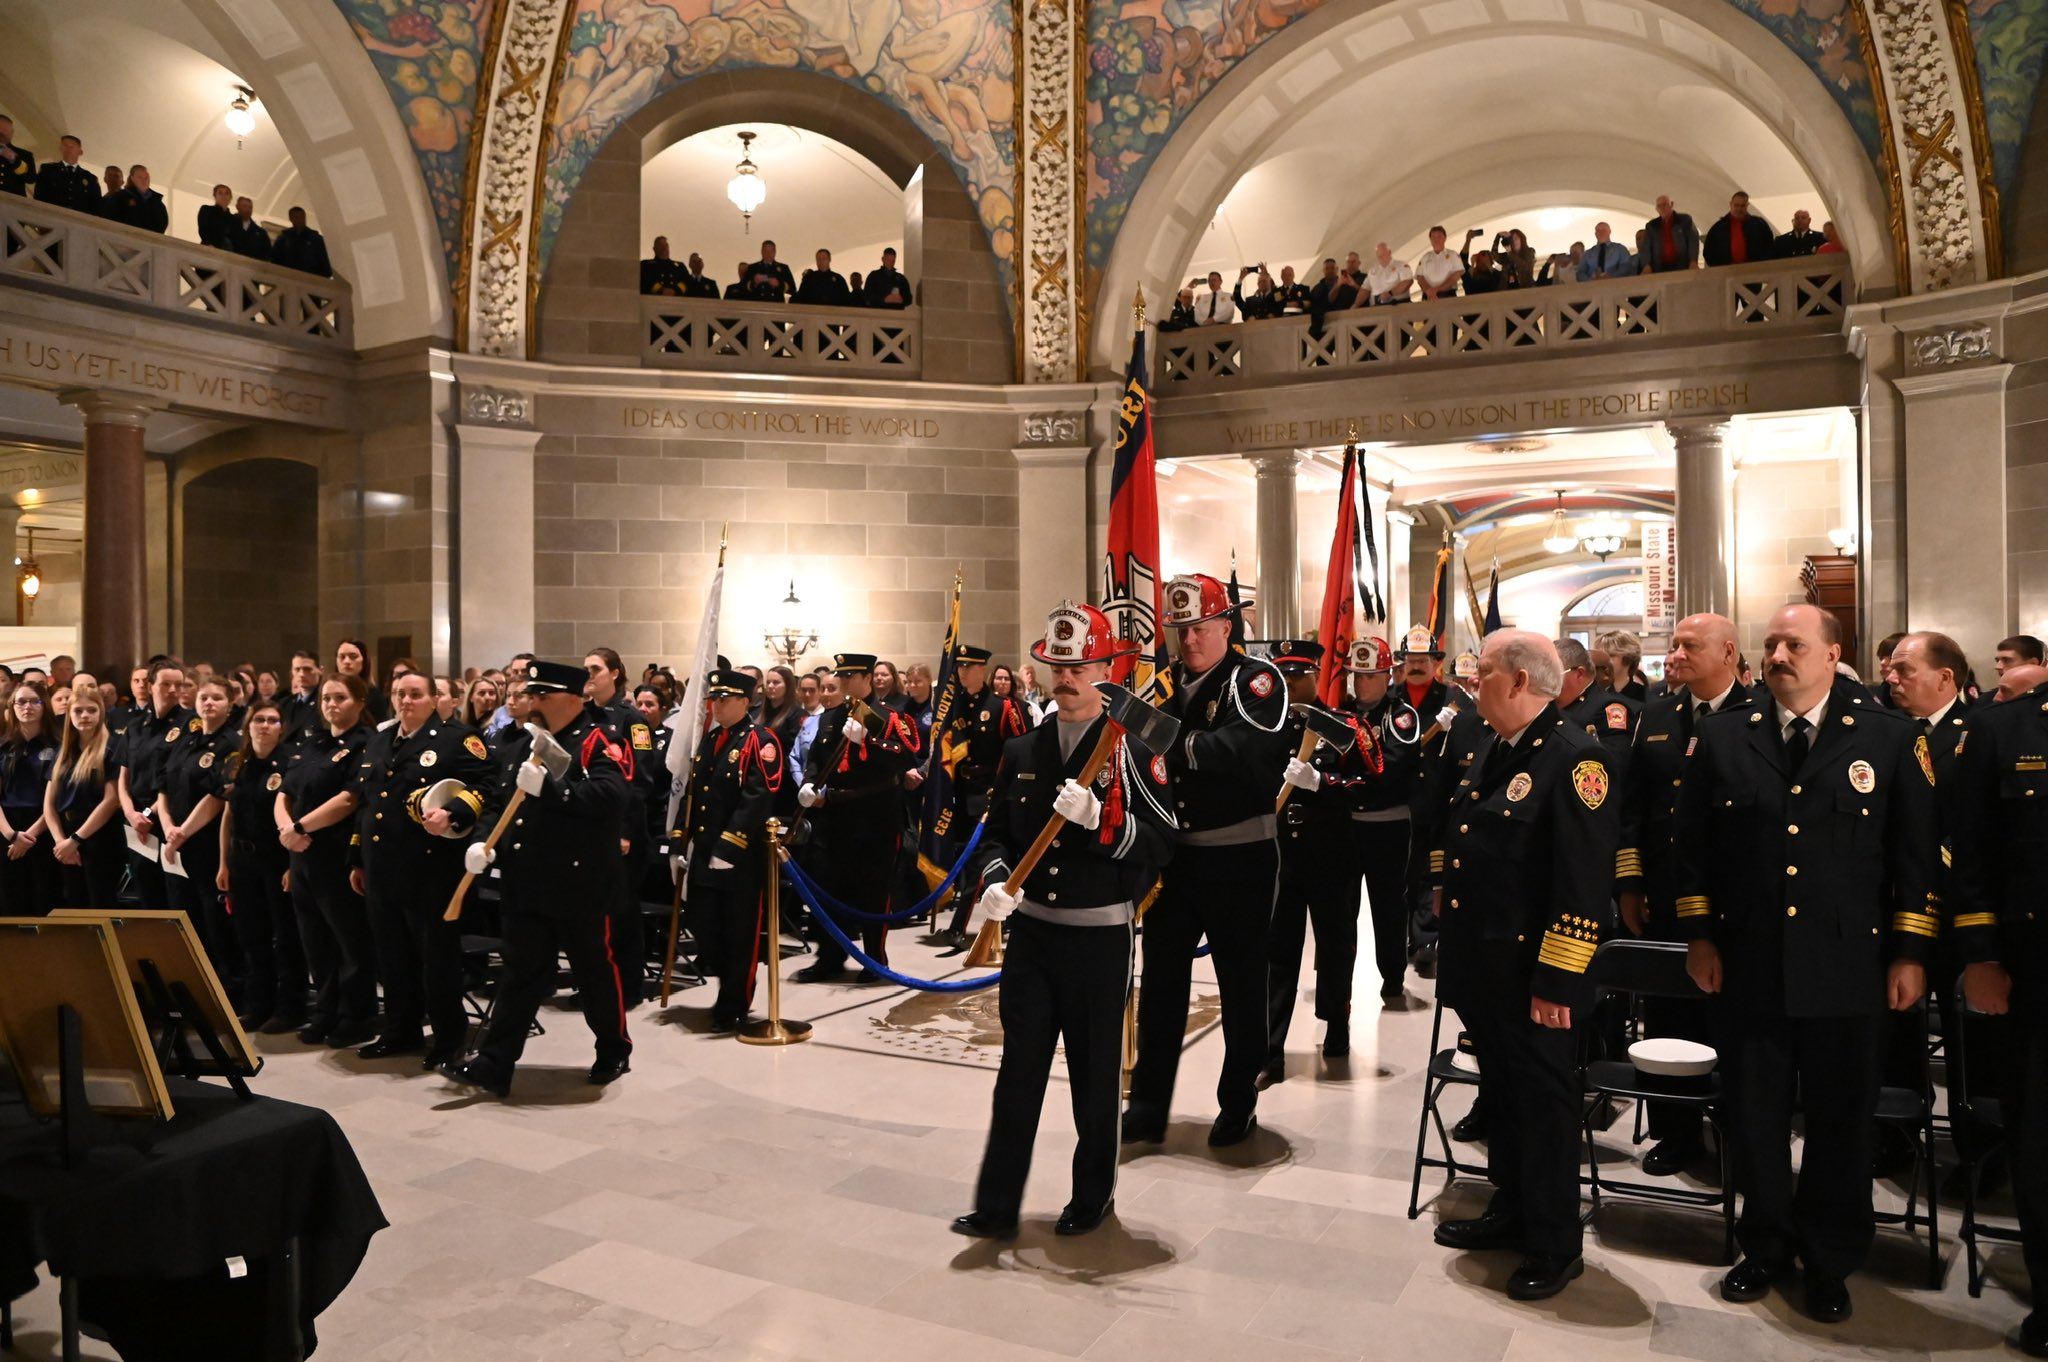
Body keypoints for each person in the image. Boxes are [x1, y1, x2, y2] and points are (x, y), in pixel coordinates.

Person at [1673, 603, 1935, 1323]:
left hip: (1850, 966)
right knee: (1754, 1118)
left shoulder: (1888, 736)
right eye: (1772, 644)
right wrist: (1699, 937)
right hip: (1750, 965)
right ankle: (1764, 1244)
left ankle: (1828, 1259)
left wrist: (1910, 952)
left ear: (1831, 653)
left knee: (1839, 1124)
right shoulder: (1724, 735)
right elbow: (1691, 849)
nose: (1780, 654)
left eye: (1795, 643)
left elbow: (1915, 859)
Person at [952, 602, 1174, 1240]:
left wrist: (1101, 822)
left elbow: (1160, 844)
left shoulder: (1134, 748)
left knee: (1094, 1076)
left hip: (1098, 937)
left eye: (1080, 666)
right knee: (1017, 1073)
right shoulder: (1023, 747)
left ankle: (1092, 1195)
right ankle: (997, 1204)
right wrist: (994, 882)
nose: (1066, 678)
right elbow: (994, 834)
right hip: (1033, 936)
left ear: (1107, 669)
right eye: (1057, 665)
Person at [1430, 631, 1617, 1301]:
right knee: (1505, 1101)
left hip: (1536, 979)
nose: (1472, 684)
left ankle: (1553, 1243)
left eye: (1481, 674)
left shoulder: (1575, 759)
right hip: (1487, 968)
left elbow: (1582, 886)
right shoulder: (1496, 747)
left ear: (1516, 682)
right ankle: (1510, 1211)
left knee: (1543, 1109)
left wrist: (1558, 982)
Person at [1126, 573, 1287, 1148]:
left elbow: (1243, 750)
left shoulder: (1257, 680)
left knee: (1241, 984)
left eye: (1199, 628)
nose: (1188, 640)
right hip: (1176, 859)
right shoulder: (1163, 685)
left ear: (1226, 626)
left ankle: (1238, 1100)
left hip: (1239, 854)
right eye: (1178, 629)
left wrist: (1170, 743)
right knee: (1163, 985)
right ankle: (1147, 1108)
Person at [449, 661, 634, 1095]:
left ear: (574, 697)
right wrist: (480, 842)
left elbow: (613, 796)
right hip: (525, 880)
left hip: (579, 883)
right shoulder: (520, 744)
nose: (532, 702)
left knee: (593, 973)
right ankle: (495, 1063)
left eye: (542, 695)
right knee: (520, 973)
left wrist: (555, 788)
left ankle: (613, 1048)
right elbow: (497, 800)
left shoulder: (598, 740)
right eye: (531, 695)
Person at [1614, 612, 1751, 1173]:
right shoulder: (1658, 715)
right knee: (1667, 1017)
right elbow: (1634, 806)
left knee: (1731, 1022)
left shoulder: (1757, 715)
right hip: (1666, 893)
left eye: (1691, 645)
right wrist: (1629, 880)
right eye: (1675, 645)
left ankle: (1737, 1131)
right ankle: (1676, 1131)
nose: (1678, 653)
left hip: (1733, 896)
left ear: (1728, 652)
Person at [1946, 664, 2048, 1356]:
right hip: (2033, 972)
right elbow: (1968, 850)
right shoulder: (2004, 726)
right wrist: (1978, 956)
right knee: (2039, 1143)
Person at [349, 671, 493, 1068]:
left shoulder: (458, 740)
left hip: (430, 869)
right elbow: (368, 803)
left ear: (434, 700)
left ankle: (449, 1040)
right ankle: (401, 1030)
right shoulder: (379, 740)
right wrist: (357, 859)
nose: (405, 701)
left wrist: (454, 813)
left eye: (415, 694)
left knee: (436, 959)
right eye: (399, 694)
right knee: (392, 957)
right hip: (382, 869)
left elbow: (488, 785)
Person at [1262, 640, 1382, 1082]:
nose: (1291, 684)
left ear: (1316, 675)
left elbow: (1372, 783)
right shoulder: (1262, 726)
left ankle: (1336, 1024)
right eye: (1284, 675)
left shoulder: (1344, 724)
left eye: (1299, 675)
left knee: (1335, 946)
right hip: (1279, 856)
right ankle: (1270, 1047)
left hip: (1332, 854)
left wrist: (1323, 781)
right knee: (1277, 952)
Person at [793, 653, 921, 981]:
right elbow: (816, 758)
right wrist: (809, 783)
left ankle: (875, 959)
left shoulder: (889, 716)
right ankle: (830, 957)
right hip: (834, 815)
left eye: (851, 676)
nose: (845, 682)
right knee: (828, 887)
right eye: (842, 676)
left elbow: (905, 756)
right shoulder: (830, 718)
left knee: (872, 891)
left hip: (874, 815)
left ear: (866, 677)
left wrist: (871, 740)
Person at [675, 670, 784, 1029]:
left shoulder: (760, 741)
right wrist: (680, 839)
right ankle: (725, 987)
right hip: (706, 852)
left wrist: (730, 844)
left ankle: (735, 1000)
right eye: (714, 699)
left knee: (740, 933)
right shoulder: (711, 741)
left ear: (744, 701)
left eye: (723, 699)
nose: (716, 706)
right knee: (705, 926)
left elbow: (758, 797)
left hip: (739, 857)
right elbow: (695, 794)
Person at [1336, 637, 1423, 1004]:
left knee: (1388, 905)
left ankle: (1392, 975)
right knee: (1342, 908)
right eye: (1357, 674)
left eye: (1370, 675)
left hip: (1387, 825)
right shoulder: (1341, 714)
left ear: (1388, 676)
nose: (1361, 682)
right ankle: (1339, 979)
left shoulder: (1401, 717)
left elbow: (1390, 771)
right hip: (1346, 825)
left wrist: (1341, 784)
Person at [215, 698, 305, 1033]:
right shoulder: (238, 763)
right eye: (259, 720)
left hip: (276, 860)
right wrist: (223, 863)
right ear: (248, 725)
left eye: (272, 720)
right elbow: (228, 815)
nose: (264, 725)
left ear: (281, 728)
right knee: (251, 937)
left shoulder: (288, 765)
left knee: (284, 937)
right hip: (242, 860)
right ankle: (258, 1004)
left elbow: (294, 818)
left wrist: (292, 866)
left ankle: (290, 1007)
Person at [937, 645, 1030, 943]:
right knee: (965, 857)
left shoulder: (1002, 706)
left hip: (993, 791)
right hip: (962, 791)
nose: (963, 672)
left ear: (982, 670)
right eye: (960, 667)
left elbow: (1021, 750)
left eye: (969, 667)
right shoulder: (954, 705)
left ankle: (959, 926)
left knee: (980, 859)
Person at [157, 678, 241, 988]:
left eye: (216, 698)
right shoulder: (186, 740)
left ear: (229, 706)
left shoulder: (232, 744)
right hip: (175, 843)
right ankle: (194, 987)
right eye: (203, 697)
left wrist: (182, 833)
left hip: (206, 843)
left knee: (215, 922)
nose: (208, 703)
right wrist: (167, 827)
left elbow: (217, 797)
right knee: (184, 919)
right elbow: (162, 787)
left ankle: (228, 989)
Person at [118, 657, 194, 906]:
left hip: (171, 820)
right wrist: (131, 814)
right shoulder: (136, 726)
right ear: (151, 686)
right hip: (138, 821)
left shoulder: (191, 725)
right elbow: (123, 777)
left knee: (177, 894)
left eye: (178, 685)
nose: (173, 690)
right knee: (147, 892)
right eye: (165, 684)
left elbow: (178, 781)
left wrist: (149, 814)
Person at [46, 682, 124, 911]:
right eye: (78, 711)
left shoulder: (112, 748)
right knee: (74, 904)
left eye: (92, 710)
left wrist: (76, 840)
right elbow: (49, 805)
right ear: (69, 715)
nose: (85, 715)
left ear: (101, 713)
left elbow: (111, 801)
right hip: (66, 837)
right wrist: (61, 841)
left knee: (100, 904)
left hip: (99, 836)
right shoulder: (63, 752)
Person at [0, 682, 59, 916]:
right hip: (6, 828)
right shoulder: (3, 746)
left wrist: (29, 837)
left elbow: (54, 801)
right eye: (21, 702)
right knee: (9, 899)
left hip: (43, 828)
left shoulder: (58, 746)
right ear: (12, 707)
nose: (27, 707)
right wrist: (10, 834)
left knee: (43, 897)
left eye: (34, 701)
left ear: (44, 706)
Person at [1703, 190, 1775, 267]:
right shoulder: (1718, 228)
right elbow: (1709, 251)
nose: (1739, 209)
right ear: (1730, 204)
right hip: (1726, 272)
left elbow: (1770, 246)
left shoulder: (1759, 225)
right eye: (1736, 205)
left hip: (1755, 270)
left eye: (1742, 206)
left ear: (1747, 205)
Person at [32, 134, 99, 214]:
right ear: (60, 149)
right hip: (52, 218)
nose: (68, 148)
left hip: (78, 223)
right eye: (65, 145)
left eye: (72, 146)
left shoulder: (90, 178)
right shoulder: (48, 169)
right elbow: (39, 196)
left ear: (80, 152)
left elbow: (96, 207)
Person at [103, 164, 168, 234]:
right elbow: (111, 219)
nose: (144, 180)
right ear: (132, 178)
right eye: (140, 177)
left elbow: (162, 225)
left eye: (146, 177)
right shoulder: (120, 197)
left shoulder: (157, 202)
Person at [1642, 194, 1700, 272]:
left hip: (1683, 265)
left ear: (1671, 204)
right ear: (1656, 209)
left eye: (1665, 204)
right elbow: (1646, 247)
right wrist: (1647, 265)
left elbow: (1693, 240)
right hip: (1659, 268)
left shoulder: (1685, 220)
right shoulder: (1651, 226)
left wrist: (1693, 261)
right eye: (1659, 206)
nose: (1662, 208)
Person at [334, 638, 388, 722]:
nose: (347, 661)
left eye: (353, 656)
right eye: (342, 657)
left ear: (364, 661)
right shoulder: (328, 692)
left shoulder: (374, 696)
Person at [271, 206, 333, 276]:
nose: (300, 220)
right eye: (296, 217)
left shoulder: (316, 239)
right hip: (289, 277)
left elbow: (325, 262)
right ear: (291, 219)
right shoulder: (284, 238)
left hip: (311, 279)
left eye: (302, 217)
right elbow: (275, 260)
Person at [0, 116, 34, 197]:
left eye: (5, 130)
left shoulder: (24, 155)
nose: (1, 132)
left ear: (11, 133)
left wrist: (14, 160)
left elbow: (30, 178)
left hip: (13, 202)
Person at [198, 184, 235, 250]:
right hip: (208, 250)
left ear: (230, 197)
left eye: (227, 193)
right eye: (220, 193)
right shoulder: (206, 209)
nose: (224, 196)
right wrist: (209, 244)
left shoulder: (234, 219)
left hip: (228, 255)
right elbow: (203, 228)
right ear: (215, 196)